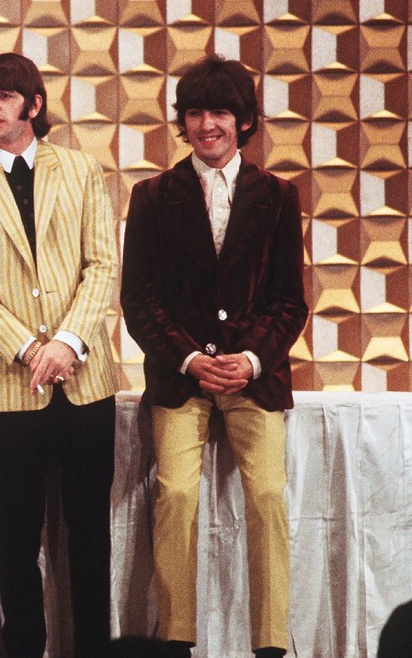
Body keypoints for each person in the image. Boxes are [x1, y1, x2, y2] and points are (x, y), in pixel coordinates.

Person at [120, 54, 308, 658]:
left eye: (220, 112)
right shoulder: (152, 196)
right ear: (182, 122)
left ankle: (272, 645)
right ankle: (176, 640)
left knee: (270, 497)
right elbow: (138, 298)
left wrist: (251, 360)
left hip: (255, 377)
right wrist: (190, 359)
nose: (207, 125)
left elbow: (290, 301)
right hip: (181, 379)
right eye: (195, 112)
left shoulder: (280, 196)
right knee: (175, 495)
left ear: (245, 120)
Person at [0, 53, 119, 657]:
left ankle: (93, 647)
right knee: (15, 535)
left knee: (90, 532)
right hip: (12, 384)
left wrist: (67, 341)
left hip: (85, 380)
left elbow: (102, 265)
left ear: (33, 105)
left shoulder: (81, 170)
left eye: (4, 96)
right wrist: (27, 347)